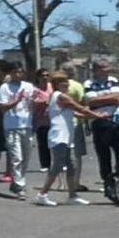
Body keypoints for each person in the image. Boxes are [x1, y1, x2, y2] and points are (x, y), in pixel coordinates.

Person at [36, 72, 110, 206]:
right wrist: (97, 115)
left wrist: (93, 116)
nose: (68, 84)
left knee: (71, 166)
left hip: (65, 136)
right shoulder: (61, 96)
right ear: (58, 84)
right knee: (58, 165)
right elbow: (80, 108)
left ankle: (72, 196)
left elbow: (75, 113)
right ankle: (42, 194)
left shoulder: (56, 96)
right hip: (59, 136)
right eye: (65, 82)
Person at [84, 59, 119, 190]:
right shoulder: (89, 83)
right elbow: (90, 101)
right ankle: (107, 181)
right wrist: (108, 99)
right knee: (103, 154)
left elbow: (116, 98)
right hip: (98, 121)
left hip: (114, 120)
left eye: (108, 67)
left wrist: (102, 100)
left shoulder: (113, 80)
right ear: (96, 70)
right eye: (104, 67)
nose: (107, 70)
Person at [0, 62, 35, 200]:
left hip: (27, 125)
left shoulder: (28, 86)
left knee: (26, 156)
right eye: (15, 72)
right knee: (16, 157)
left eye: (20, 72)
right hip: (11, 126)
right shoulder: (5, 88)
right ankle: (20, 186)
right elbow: (2, 107)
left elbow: (34, 101)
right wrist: (16, 100)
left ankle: (17, 181)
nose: (18, 74)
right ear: (11, 73)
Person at [60, 62, 89, 192]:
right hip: (76, 122)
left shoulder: (57, 86)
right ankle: (75, 182)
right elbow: (84, 104)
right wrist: (87, 123)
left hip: (60, 122)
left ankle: (61, 183)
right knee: (77, 154)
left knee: (60, 153)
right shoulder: (77, 86)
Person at [32, 68, 52, 172]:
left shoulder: (52, 88)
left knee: (54, 143)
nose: (45, 77)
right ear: (38, 77)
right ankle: (45, 164)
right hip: (41, 120)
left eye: (47, 75)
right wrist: (44, 102)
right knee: (43, 143)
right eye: (42, 75)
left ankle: (56, 163)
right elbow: (32, 103)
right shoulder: (35, 90)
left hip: (52, 119)